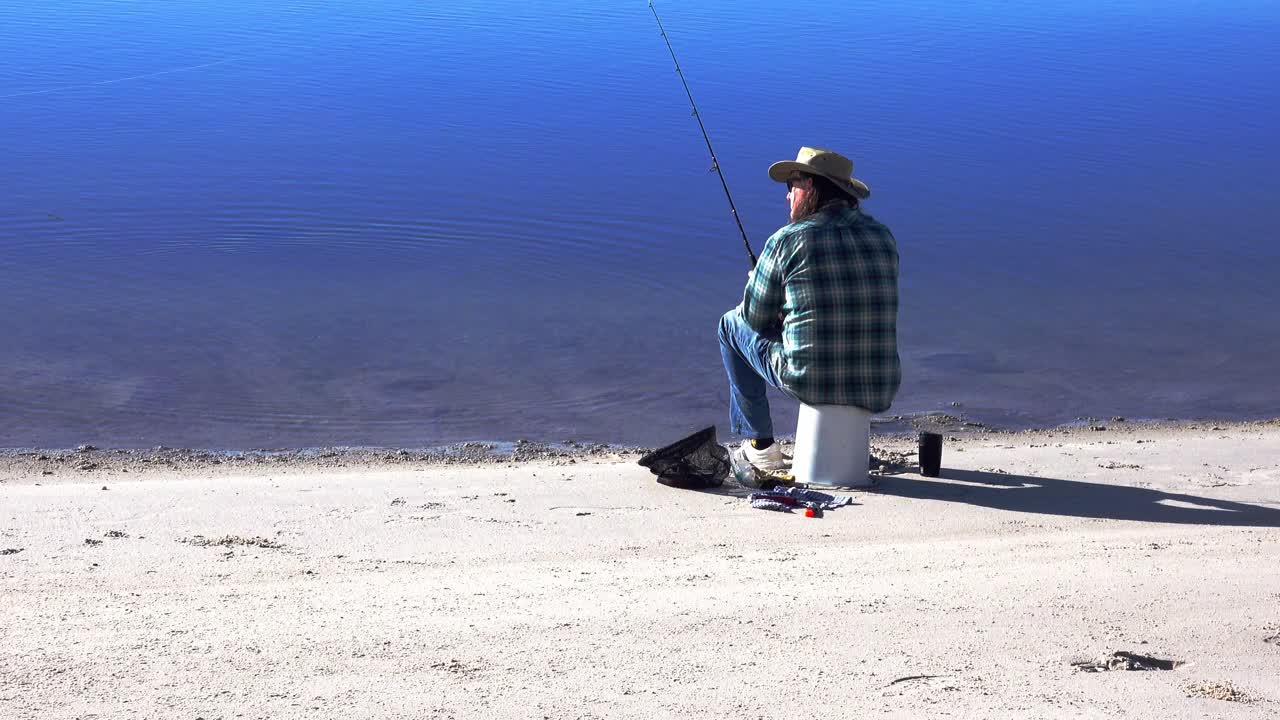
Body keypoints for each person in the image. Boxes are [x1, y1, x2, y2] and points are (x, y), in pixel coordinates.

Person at [717, 146, 901, 473]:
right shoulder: (883, 237)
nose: (788, 195)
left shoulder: (787, 240)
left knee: (730, 325)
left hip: (810, 379)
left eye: (792, 185)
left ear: (810, 187)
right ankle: (846, 450)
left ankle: (760, 445)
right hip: (878, 384)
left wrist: (760, 286)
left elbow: (754, 318)